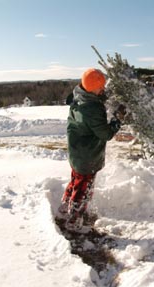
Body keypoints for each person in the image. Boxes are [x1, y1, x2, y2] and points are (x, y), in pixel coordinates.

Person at [59, 68, 121, 231]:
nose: (103, 90)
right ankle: (75, 219)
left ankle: (65, 207)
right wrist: (117, 120)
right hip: (87, 155)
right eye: (101, 87)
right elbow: (105, 133)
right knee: (83, 187)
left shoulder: (78, 97)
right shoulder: (91, 108)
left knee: (75, 181)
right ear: (92, 88)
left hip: (77, 152)